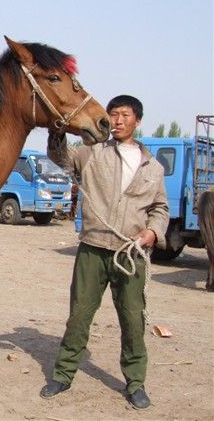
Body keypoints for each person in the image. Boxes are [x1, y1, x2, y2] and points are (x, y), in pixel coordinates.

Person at [39, 95, 169, 409]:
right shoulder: (92, 152)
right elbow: (60, 157)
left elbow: (160, 209)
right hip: (92, 250)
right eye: (113, 115)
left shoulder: (154, 167)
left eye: (125, 115)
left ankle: (135, 382)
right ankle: (63, 374)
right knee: (79, 316)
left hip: (130, 254)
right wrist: (57, 128)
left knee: (133, 321)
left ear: (138, 120)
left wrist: (152, 232)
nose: (118, 120)